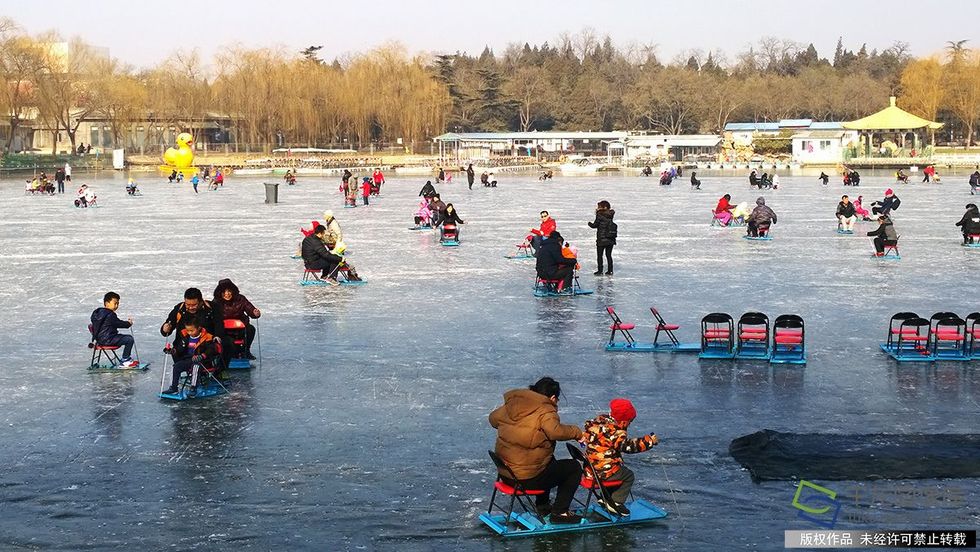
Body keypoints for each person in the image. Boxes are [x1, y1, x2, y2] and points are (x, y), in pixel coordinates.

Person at [488, 377, 584, 524]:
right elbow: (555, 432)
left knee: (548, 460)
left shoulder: (514, 404)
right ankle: (560, 512)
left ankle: (543, 506)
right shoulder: (545, 410)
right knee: (574, 468)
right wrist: (577, 433)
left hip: (506, 473)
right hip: (525, 479)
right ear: (553, 398)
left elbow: (493, 420)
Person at [580, 398, 659, 516]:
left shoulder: (598, 424)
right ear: (623, 421)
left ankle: (605, 497)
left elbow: (608, 445)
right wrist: (648, 442)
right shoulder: (616, 431)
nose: (629, 424)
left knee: (616, 469)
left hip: (590, 470)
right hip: (602, 472)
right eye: (629, 421)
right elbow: (628, 446)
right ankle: (616, 502)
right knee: (628, 475)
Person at [161, 316, 220, 396]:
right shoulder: (186, 337)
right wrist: (172, 350)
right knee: (176, 366)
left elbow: (212, 349)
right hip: (189, 360)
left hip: (203, 361)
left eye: (192, 330)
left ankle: (193, 387)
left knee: (196, 366)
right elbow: (179, 349)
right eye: (188, 330)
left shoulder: (207, 337)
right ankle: (173, 387)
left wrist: (203, 355)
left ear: (199, 328)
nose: (189, 332)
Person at [212, 279, 261, 361]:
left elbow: (250, 309)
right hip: (225, 332)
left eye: (229, 291)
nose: (227, 294)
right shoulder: (216, 302)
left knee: (251, 329)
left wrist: (255, 313)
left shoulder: (241, 299)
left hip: (241, 330)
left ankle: (246, 351)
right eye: (224, 292)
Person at [90, 291, 138, 367]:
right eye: (115, 303)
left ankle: (126, 359)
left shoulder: (97, 313)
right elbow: (118, 323)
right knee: (129, 339)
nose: (116, 305)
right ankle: (125, 360)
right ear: (107, 303)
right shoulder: (110, 314)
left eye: (118, 303)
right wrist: (128, 323)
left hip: (100, 340)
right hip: (108, 339)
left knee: (125, 338)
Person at [588, 200, 617, 276]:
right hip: (610, 238)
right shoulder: (610, 214)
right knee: (609, 255)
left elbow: (595, 225)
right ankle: (610, 270)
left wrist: (589, 224)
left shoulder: (599, 215)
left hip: (601, 238)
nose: (597, 208)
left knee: (600, 255)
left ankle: (600, 271)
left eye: (599, 206)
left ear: (603, 207)